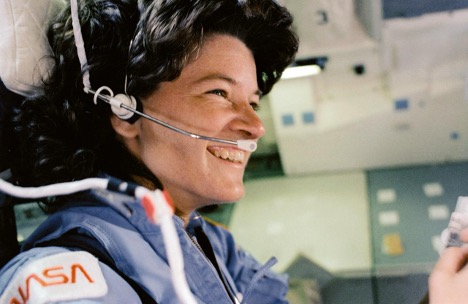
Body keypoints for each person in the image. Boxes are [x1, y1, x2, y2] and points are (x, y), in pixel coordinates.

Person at [0, 0, 298, 303]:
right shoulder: (65, 285)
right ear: (124, 112)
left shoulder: (208, 240)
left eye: (253, 103)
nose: (256, 126)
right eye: (219, 93)